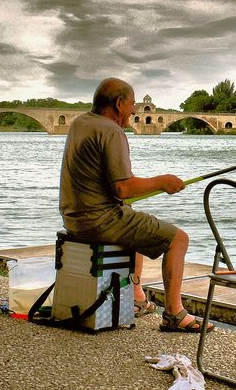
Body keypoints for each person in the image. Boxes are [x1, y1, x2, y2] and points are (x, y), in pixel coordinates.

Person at [60, 77, 213, 333]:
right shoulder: (111, 131)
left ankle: (137, 297)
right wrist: (162, 181)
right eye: (132, 105)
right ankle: (175, 314)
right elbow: (123, 187)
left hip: (74, 217)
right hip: (99, 221)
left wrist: (131, 194)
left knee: (135, 221)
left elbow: (108, 186)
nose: (133, 111)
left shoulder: (80, 123)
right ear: (119, 104)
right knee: (178, 239)